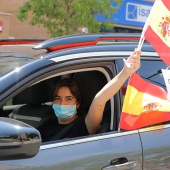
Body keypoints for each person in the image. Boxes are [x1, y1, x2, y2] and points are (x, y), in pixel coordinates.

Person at [37, 49, 141, 142]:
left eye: (68, 99)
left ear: (77, 103)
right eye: (57, 98)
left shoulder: (83, 125)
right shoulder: (47, 123)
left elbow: (99, 101)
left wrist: (125, 72)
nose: (62, 103)